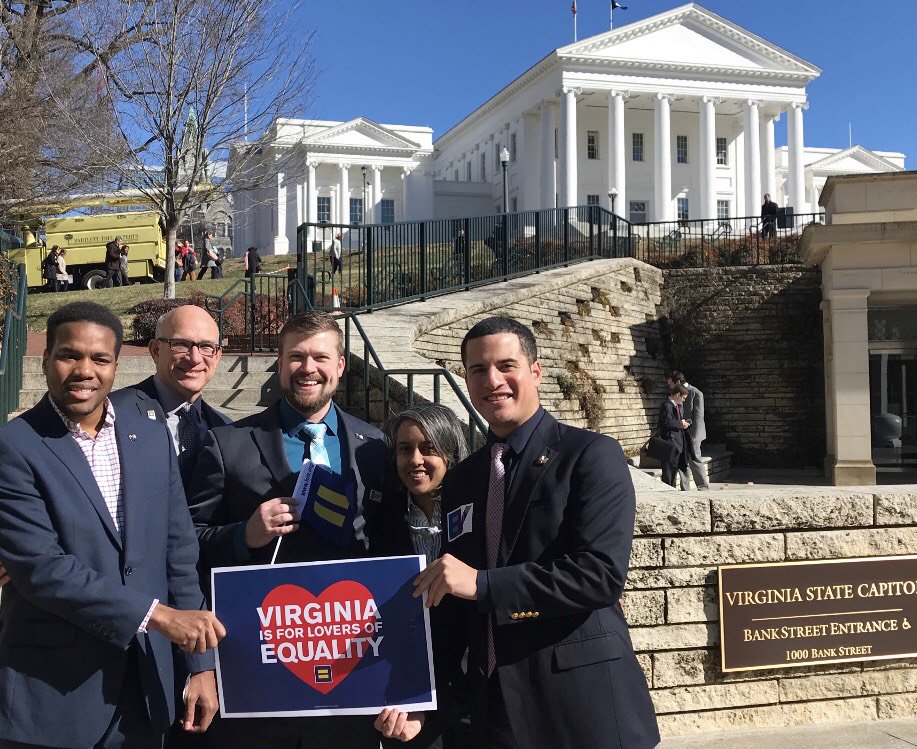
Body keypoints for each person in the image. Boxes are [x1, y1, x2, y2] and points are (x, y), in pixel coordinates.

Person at [412, 316, 659, 749]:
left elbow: (599, 575)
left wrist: (483, 583)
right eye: (477, 370)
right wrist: (417, 698)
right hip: (492, 713)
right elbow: (453, 603)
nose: (493, 380)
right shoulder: (464, 479)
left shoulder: (590, 456)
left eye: (506, 365)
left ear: (536, 371)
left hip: (579, 709)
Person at [0, 301, 225, 748]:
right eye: (69, 355)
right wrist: (158, 617)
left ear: (116, 366)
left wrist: (201, 665)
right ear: (45, 360)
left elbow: (178, 551)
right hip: (53, 698)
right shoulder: (14, 446)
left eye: (99, 358)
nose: (84, 370)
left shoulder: (147, 431)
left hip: (145, 694)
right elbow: (43, 571)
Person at [187, 310, 389, 749]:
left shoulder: (374, 446)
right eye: (296, 357)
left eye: (321, 356)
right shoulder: (228, 443)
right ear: (279, 364)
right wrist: (245, 534)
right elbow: (187, 544)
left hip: (351, 669)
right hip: (259, 667)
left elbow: (390, 547)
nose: (308, 368)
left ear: (340, 365)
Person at [371, 404, 471, 747]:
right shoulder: (379, 522)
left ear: (451, 451)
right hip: (413, 698)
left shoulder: (479, 513)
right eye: (404, 449)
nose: (415, 460)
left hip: (477, 692)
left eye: (428, 448)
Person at [667, 371, 709, 490]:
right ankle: (685, 489)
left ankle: (703, 488)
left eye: (671, 384)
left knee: (695, 459)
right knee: (683, 460)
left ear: (678, 382)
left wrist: (694, 434)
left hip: (693, 433)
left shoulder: (696, 393)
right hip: (681, 431)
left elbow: (699, 415)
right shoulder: (674, 395)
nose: (670, 387)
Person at [657, 384, 691, 489]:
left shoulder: (676, 406)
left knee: (673, 471)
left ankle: (672, 491)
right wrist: (681, 424)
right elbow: (666, 422)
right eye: (683, 398)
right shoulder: (667, 405)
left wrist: (683, 422)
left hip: (677, 444)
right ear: (677, 394)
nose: (684, 400)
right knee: (668, 474)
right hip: (670, 443)